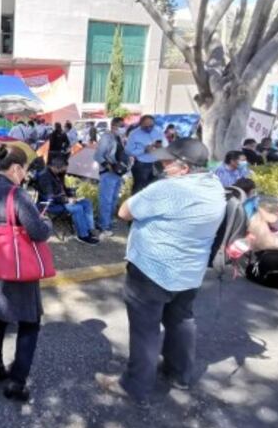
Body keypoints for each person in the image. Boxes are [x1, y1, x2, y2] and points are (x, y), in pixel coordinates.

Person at [95, 138, 226, 406]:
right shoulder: (215, 187)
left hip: (152, 271)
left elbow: (124, 212)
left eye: (168, 162)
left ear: (185, 168)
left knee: (145, 330)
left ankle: (135, 386)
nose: (163, 166)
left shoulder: (169, 190)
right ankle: (180, 375)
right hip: (189, 273)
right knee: (182, 321)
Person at [0, 144, 52, 402]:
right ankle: (17, 383)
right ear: (16, 168)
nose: (25, 176)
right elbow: (38, 232)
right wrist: (47, 222)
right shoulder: (17, 195)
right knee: (30, 323)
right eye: (24, 171)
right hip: (15, 268)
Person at [37, 157, 99, 245]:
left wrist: (71, 192)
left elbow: (63, 189)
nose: (64, 170)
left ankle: (90, 229)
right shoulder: (45, 177)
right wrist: (66, 200)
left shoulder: (56, 174)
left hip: (63, 200)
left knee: (86, 202)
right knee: (77, 208)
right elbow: (49, 197)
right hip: (52, 204)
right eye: (63, 168)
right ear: (56, 167)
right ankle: (83, 235)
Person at [95, 117, 129, 237]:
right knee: (106, 200)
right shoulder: (106, 137)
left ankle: (107, 221)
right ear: (113, 126)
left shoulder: (119, 137)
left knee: (114, 199)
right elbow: (98, 155)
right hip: (108, 173)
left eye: (123, 125)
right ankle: (104, 226)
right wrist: (108, 166)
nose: (123, 127)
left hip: (118, 174)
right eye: (121, 125)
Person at [126, 114, 165, 194]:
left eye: (151, 126)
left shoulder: (158, 131)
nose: (149, 128)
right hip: (142, 165)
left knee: (155, 189)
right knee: (139, 189)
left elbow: (166, 144)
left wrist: (161, 147)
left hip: (157, 164)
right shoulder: (134, 134)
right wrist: (143, 150)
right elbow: (128, 151)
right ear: (140, 124)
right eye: (146, 127)